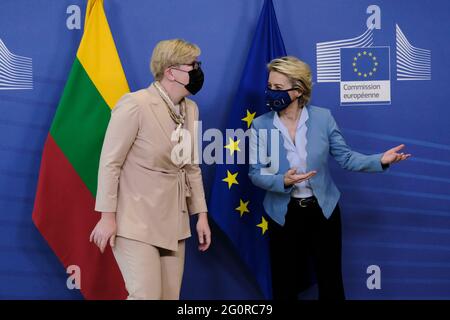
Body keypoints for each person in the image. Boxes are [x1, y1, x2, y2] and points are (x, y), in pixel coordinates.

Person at [248, 56, 410, 300]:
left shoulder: (323, 119)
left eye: (278, 88)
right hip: (283, 214)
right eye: (269, 86)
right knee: (284, 284)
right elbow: (256, 173)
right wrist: (283, 181)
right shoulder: (261, 126)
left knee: (331, 281)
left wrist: (379, 160)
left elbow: (346, 158)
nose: (270, 92)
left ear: (298, 90)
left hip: (323, 211)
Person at [90, 39, 211, 300]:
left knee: (170, 298)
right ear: (171, 72)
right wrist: (106, 217)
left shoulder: (191, 109)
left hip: (175, 221)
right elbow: (110, 163)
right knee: (145, 296)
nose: (197, 70)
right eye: (192, 65)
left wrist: (201, 214)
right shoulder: (135, 104)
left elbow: (191, 166)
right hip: (134, 220)